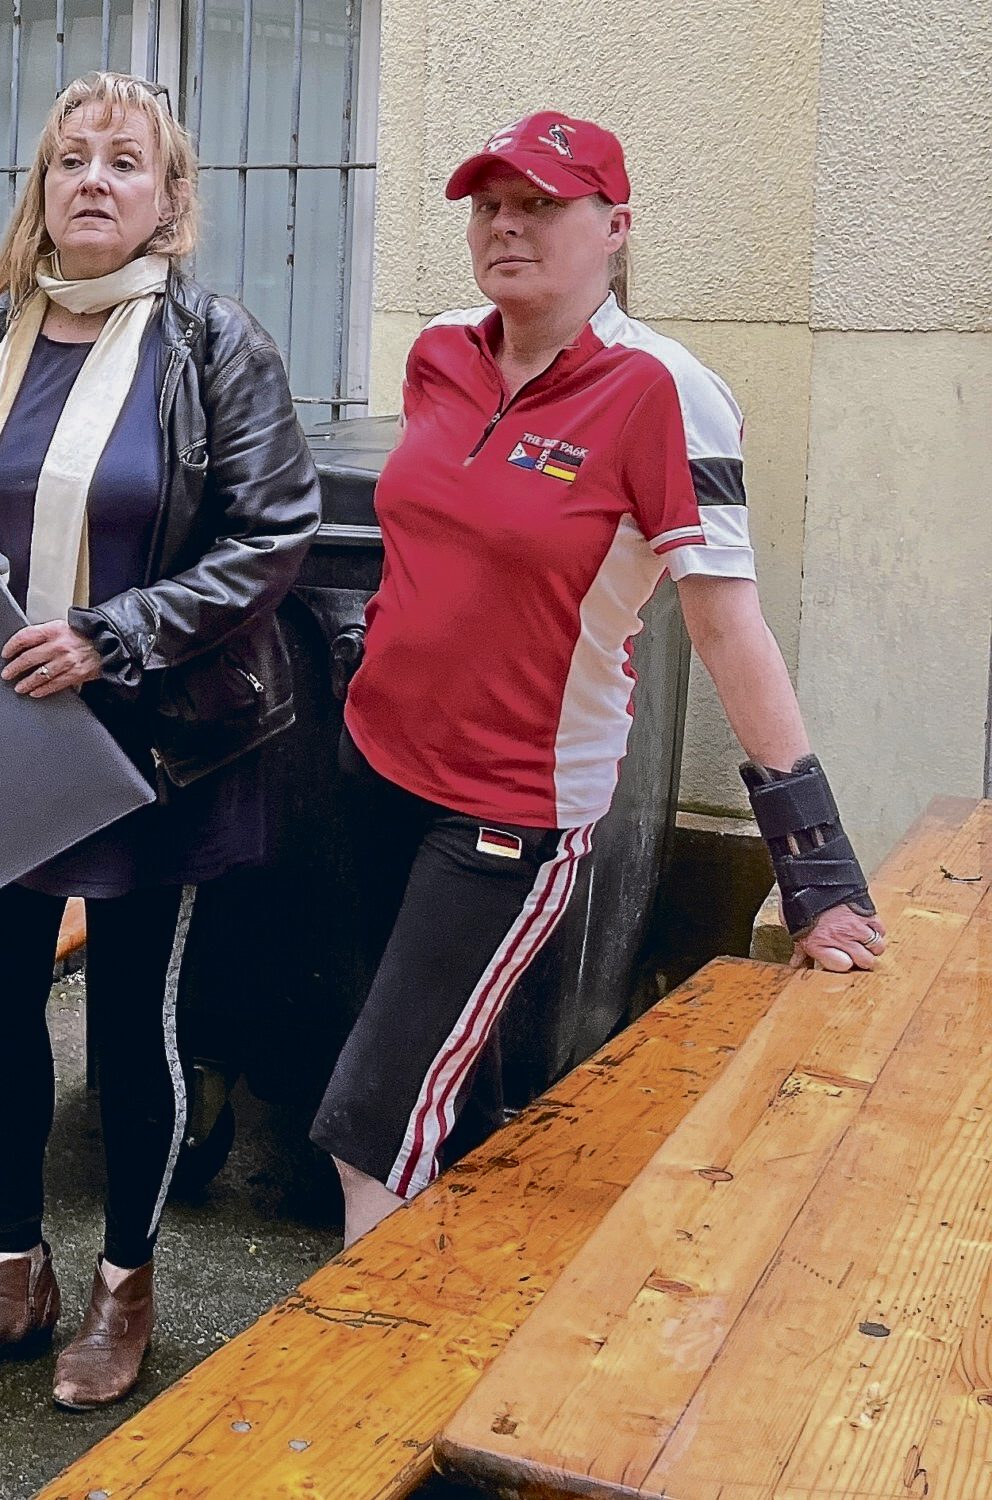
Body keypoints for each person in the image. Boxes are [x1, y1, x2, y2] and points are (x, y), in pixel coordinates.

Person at [311, 112, 888, 1246]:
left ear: (615, 228)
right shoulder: (439, 353)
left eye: (541, 205)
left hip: (507, 809)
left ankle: (369, 1394)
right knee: (394, 1082)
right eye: (488, 205)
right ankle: (432, 1332)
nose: (505, 225)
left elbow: (729, 631)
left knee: (372, 1125)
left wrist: (815, 868)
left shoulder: (666, 393)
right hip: (371, 767)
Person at [0, 73, 319, 1410]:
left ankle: (126, 1288)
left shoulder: (214, 346)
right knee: (1, 1016)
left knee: (134, 1029)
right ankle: (14, 1275)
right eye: (71, 158)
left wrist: (110, 634)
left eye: (124, 163)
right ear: (40, 190)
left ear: (168, 201)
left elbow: (276, 532)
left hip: (156, 749)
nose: (92, 180)